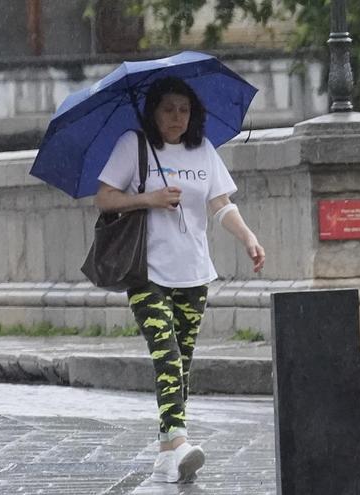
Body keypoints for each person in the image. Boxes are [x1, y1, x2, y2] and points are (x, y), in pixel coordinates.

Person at [94, 77, 266, 483]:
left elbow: (221, 204)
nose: (176, 117)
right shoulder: (133, 145)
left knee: (182, 365)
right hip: (147, 272)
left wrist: (249, 238)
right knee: (167, 356)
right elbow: (104, 197)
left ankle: (166, 454)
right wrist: (147, 199)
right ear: (153, 111)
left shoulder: (202, 151)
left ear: (194, 114)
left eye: (184, 109)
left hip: (194, 273)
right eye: (168, 108)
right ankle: (180, 438)